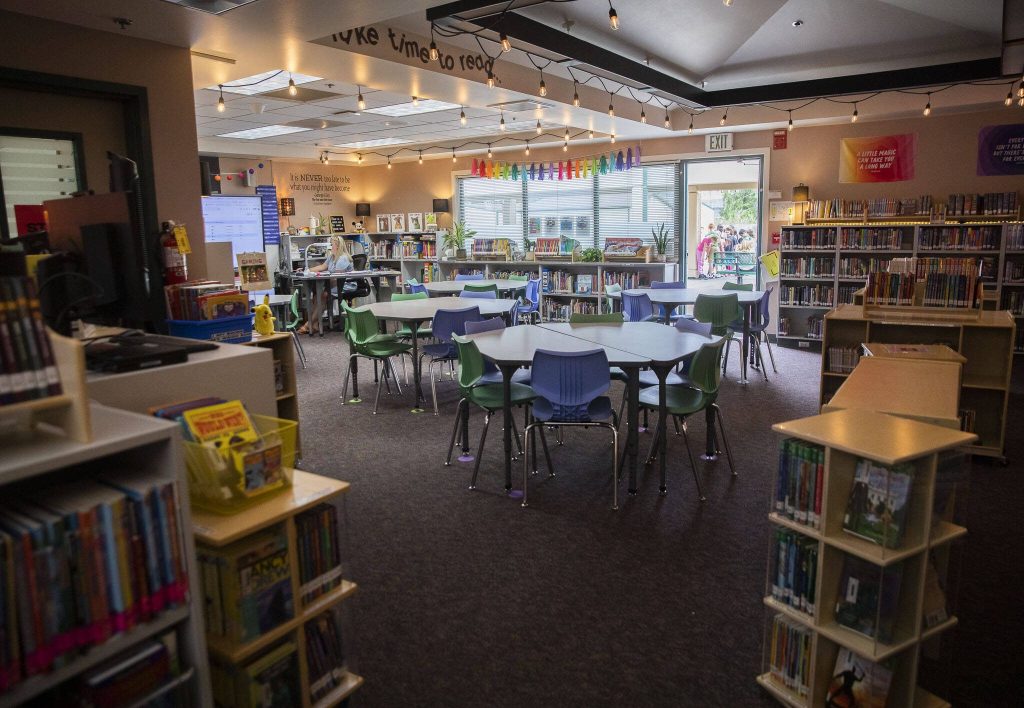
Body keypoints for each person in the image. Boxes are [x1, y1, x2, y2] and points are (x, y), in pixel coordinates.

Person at [297, 235, 353, 335]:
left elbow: (337, 278)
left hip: (346, 285)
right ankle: (315, 324)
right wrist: (307, 270)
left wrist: (325, 286)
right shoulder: (332, 257)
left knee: (323, 295)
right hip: (334, 284)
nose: (330, 246)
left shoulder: (343, 258)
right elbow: (323, 266)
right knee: (317, 295)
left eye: (332, 244)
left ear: (338, 245)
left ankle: (308, 324)